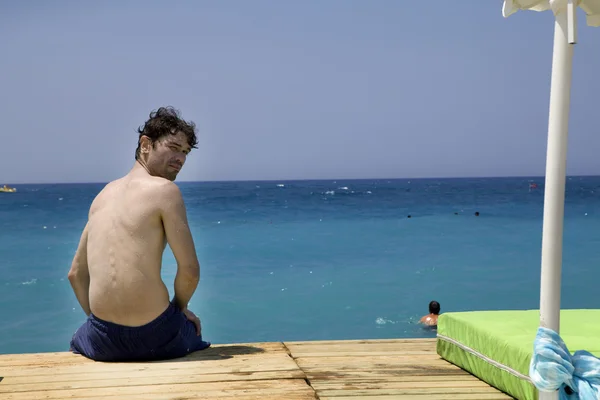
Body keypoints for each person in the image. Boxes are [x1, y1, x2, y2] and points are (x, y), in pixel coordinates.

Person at [68, 106, 210, 362]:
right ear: (146, 144)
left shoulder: (101, 197)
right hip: (155, 335)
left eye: (185, 152)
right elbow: (190, 270)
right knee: (194, 332)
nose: (181, 158)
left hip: (103, 341)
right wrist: (180, 309)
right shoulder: (165, 191)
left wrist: (99, 324)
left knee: (78, 341)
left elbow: (76, 274)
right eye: (174, 147)